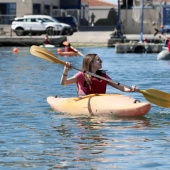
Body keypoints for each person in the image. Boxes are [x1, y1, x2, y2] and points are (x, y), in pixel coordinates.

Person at [60, 54, 138, 96]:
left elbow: (122, 88)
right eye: (98, 60)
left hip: (100, 101)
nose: (101, 61)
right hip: (84, 101)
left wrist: (132, 89)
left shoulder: (103, 76)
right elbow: (64, 83)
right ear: (91, 63)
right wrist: (66, 70)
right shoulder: (81, 75)